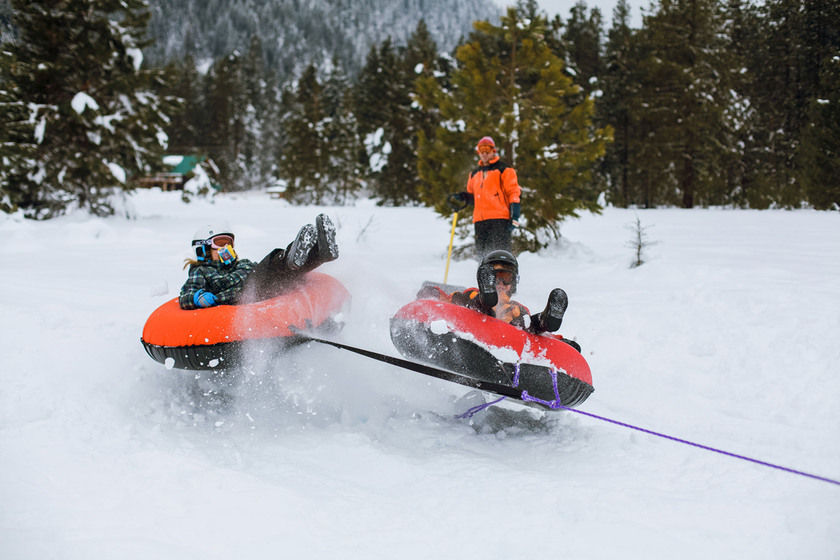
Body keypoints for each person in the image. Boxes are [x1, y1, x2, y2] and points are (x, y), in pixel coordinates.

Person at [178, 214, 338, 310]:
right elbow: (185, 295)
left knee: (278, 270)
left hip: (261, 289)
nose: (226, 247)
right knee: (268, 268)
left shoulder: (242, 264)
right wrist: (196, 298)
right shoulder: (202, 271)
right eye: (220, 243)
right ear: (203, 250)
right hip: (240, 298)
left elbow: (266, 272)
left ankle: (320, 253)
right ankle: (294, 255)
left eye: (229, 243)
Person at [422, 251, 578, 348]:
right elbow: (445, 300)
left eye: (506, 278)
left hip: (507, 336)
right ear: (484, 279)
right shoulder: (471, 293)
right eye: (495, 278)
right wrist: (432, 292)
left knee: (527, 323)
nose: (501, 284)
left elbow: (536, 338)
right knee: (474, 302)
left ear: (513, 282)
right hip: (474, 320)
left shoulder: (516, 307)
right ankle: (487, 299)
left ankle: (546, 320)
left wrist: (562, 342)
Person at [447, 136, 521, 259]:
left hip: (500, 219)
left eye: (488, 148)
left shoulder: (504, 169)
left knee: (500, 254)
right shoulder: (475, 173)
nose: (485, 153)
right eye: (482, 149)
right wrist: (463, 197)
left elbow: (514, 192)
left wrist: (515, 215)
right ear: (478, 152)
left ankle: (504, 278)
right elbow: (473, 197)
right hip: (480, 221)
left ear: (494, 150)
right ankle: (485, 278)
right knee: (483, 256)